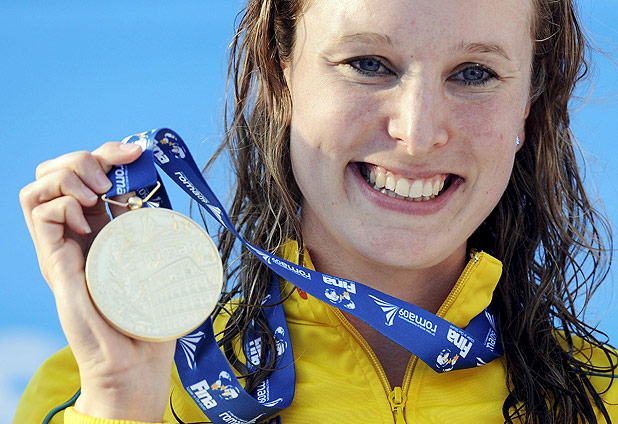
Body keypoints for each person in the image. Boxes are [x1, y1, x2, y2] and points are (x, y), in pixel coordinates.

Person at [14, 0, 618, 422]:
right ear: (281, 79)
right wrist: (122, 399)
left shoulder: (606, 399)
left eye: (474, 73)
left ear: (528, 107)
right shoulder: (87, 392)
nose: (416, 134)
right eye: (369, 64)